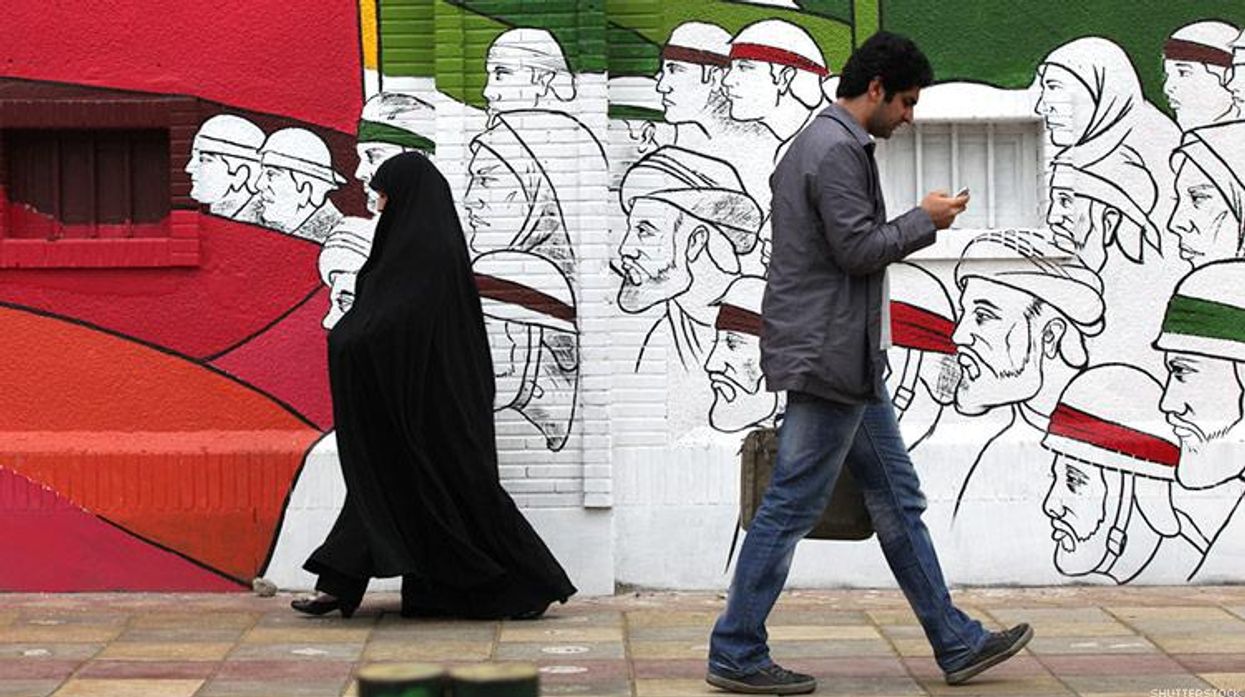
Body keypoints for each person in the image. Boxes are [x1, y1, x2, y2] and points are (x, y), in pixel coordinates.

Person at [706, 33, 1031, 695]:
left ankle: (956, 641)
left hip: (846, 356)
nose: (908, 117)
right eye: (906, 102)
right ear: (876, 88)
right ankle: (735, 649)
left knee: (896, 499)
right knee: (791, 503)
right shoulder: (833, 150)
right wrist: (925, 219)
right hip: (830, 358)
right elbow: (856, 249)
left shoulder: (827, 143)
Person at [292, 152, 576, 620]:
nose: (378, 206)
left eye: (384, 196)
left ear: (406, 197)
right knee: (380, 489)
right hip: (410, 402)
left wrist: (349, 338)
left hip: (435, 407)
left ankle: (533, 584)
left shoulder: (425, 255)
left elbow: (395, 322)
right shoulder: (414, 250)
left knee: (464, 494)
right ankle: (338, 586)